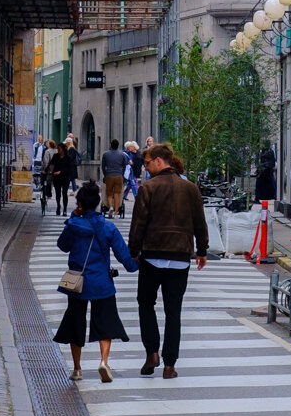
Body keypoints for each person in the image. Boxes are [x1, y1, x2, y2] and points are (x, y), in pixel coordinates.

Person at [127, 142, 209, 379]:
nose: (146, 166)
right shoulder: (191, 189)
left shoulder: (148, 188)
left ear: (160, 161)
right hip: (180, 258)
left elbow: (138, 224)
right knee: (174, 312)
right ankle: (169, 365)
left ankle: (152, 352)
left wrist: (134, 251)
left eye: (148, 162)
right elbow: (199, 223)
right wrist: (201, 250)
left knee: (145, 303)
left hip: (152, 256)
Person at [53, 181, 137, 382]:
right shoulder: (108, 227)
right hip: (101, 282)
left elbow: (62, 246)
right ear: (98, 203)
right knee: (105, 322)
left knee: (76, 323)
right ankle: (103, 361)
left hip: (77, 283)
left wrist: (73, 218)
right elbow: (123, 256)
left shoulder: (73, 225)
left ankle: (77, 369)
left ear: (80, 204)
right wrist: (135, 265)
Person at [100, 137, 130, 216]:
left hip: (109, 175)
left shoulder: (105, 154)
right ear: (118, 145)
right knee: (117, 193)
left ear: (111, 145)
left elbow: (103, 166)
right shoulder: (122, 155)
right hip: (118, 175)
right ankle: (116, 211)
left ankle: (110, 207)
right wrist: (122, 174)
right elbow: (124, 166)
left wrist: (105, 174)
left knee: (109, 193)